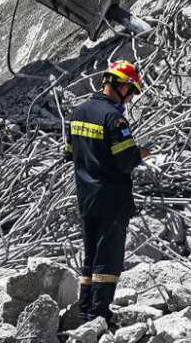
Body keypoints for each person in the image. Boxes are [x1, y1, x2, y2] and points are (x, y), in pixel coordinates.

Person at [64, 60, 151, 325]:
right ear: (122, 85)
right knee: (108, 259)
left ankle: (86, 309)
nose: (131, 96)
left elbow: (69, 153)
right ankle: (99, 314)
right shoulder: (114, 118)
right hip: (112, 198)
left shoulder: (78, 112)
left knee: (91, 257)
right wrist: (141, 153)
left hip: (87, 196)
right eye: (131, 90)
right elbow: (125, 161)